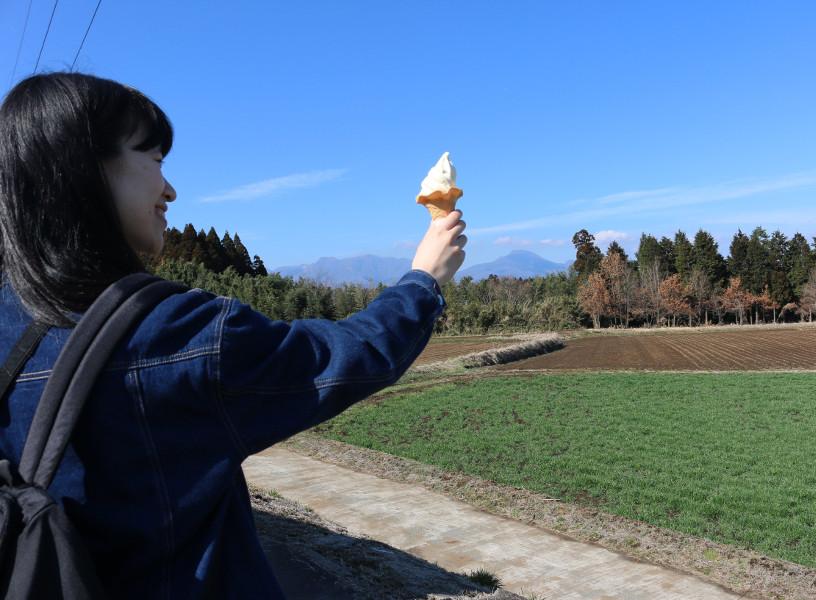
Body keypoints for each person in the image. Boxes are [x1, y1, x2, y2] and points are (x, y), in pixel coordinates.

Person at [0, 72, 467, 598]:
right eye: (153, 159)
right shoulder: (173, 332)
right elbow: (345, 358)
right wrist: (424, 280)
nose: (170, 189)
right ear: (83, 171)